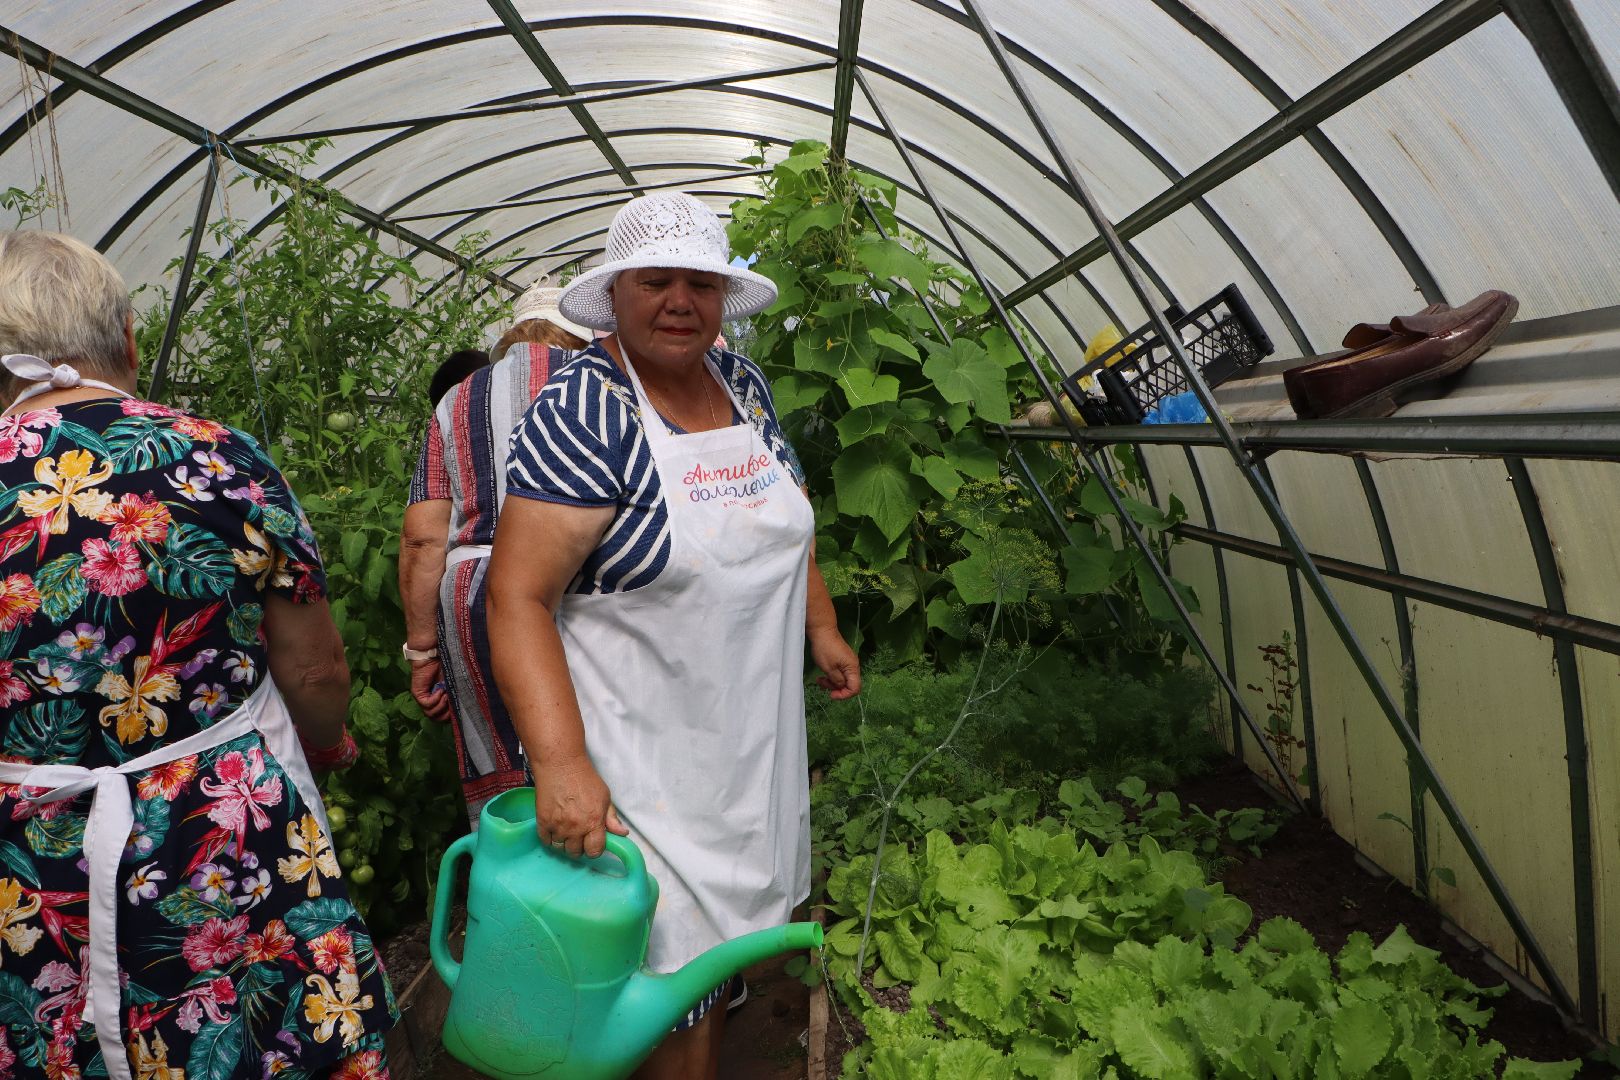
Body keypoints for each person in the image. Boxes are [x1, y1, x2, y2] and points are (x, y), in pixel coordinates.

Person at [0, 231, 394, 1079]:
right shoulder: (219, 458)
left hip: (26, 872)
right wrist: (325, 745)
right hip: (222, 838)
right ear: (130, 338)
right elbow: (316, 668)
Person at [485, 193, 861, 1080]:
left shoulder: (743, 384)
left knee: (729, 968)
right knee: (665, 983)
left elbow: (786, 520)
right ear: (614, 293)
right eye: (655, 281)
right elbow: (516, 597)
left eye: (701, 282)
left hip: (745, 754)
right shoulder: (588, 410)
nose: (679, 301)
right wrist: (564, 765)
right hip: (643, 766)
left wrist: (823, 624)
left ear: (725, 298)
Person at [400, 282, 588, 825]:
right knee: (595, 747)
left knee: (503, 762)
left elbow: (422, 537)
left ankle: (516, 881)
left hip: (474, 593)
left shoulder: (454, 401)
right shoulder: (600, 382)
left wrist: (421, 651)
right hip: (577, 581)